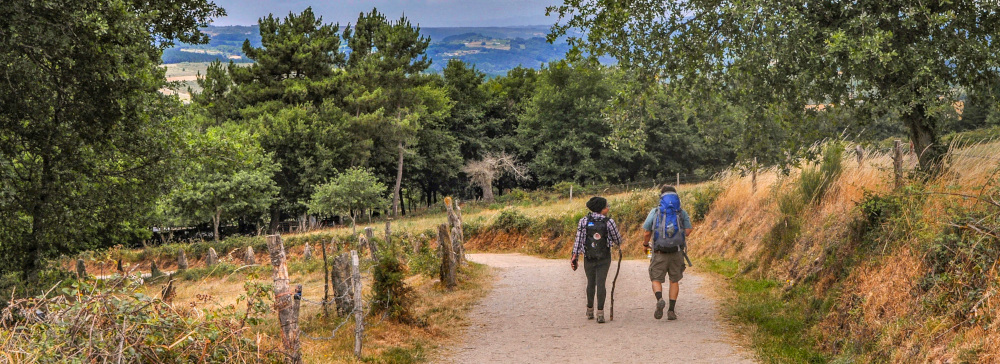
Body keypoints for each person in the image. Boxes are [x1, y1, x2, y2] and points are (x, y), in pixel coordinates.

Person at [641, 185, 693, 320]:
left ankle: (659, 299)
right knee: (674, 280)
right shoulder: (681, 213)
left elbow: (647, 231)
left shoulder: (656, 211)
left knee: (656, 278)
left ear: (661, 197)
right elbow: (688, 231)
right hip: (677, 252)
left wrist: (646, 245)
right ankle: (671, 311)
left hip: (659, 252)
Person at [570, 196, 624, 323]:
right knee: (601, 283)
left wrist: (574, 256)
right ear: (602, 209)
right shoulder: (609, 222)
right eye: (606, 206)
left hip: (588, 257)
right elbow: (618, 240)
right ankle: (600, 313)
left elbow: (579, 240)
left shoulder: (583, 221)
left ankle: (589, 310)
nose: (608, 208)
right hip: (604, 257)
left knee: (590, 283)